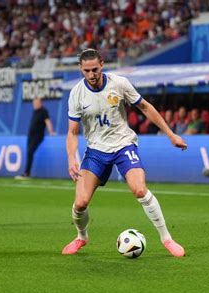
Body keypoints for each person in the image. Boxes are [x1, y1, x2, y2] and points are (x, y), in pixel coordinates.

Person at [62, 49, 188, 257]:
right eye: (87, 71)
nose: (91, 74)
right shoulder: (76, 93)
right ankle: (81, 237)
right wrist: (71, 159)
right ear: (80, 69)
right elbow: (72, 132)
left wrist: (171, 135)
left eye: (95, 69)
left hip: (123, 145)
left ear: (102, 64)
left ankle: (167, 238)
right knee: (81, 203)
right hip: (95, 151)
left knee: (140, 189)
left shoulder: (119, 84)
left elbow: (145, 107)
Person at [22, 98, 56, 177]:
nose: (34, 105)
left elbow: (47, 121)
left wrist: (51, 131)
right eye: (34, 103)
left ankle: (27, 173)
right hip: (31, 136)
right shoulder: (35, 111)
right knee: (28, 153)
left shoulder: (43, 111)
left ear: (40, 103)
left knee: (30, 152)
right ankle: (26, 172)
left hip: (37, 136)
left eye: (36, 103)